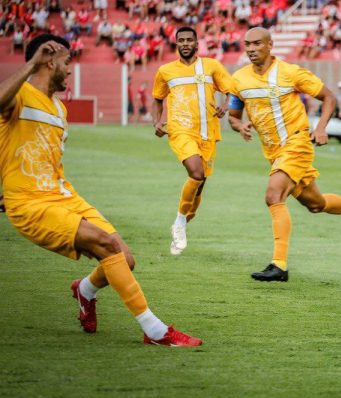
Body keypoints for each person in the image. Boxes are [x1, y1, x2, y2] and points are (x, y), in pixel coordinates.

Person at [0, 34, 201, 346]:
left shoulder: (59, 109)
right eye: (67, 62)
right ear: (49, 61)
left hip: (63, 195)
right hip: (30, 203)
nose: (70, 70)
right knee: (106, 245)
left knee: (125, 259)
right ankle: (155, 331)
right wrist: (30, 65)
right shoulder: (21, 95)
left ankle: (85, 289)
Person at [227, 27, 341, 282]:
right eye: (247, 44)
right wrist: (240, 126)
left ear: (270, 45)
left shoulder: (290, 72)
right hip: (274, 152)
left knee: (273, 195)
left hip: (297, 143)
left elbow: (329, 98)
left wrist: (320, 128)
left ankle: (279, 265)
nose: (251, 49)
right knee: (316, 204)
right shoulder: (239, 79)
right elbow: (233, 115)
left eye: (257, 43)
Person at [151, 26, 235, 255]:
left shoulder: (212, 66)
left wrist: (225, 106)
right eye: (181, 40)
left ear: (197, 44)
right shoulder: (166, 71)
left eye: (189, 40)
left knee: (199, 186)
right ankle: (179, 221)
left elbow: (232, 91)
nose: (185, 44)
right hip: (180, 130)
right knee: (196, 173)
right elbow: (157, 98)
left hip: (208, 132)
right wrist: (157, 122)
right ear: (176, 44)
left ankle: (183, 224)